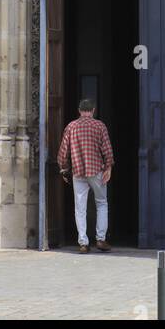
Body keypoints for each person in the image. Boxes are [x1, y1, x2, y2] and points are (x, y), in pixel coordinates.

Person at [57, 99, 114, 253]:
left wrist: (64, 169)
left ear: (79, 110)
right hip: (96, 170)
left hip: (78, 172)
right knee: (102, 203)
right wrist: (108, 167)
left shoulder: (71, 127)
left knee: (80, 208)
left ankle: (83, 242)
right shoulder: (100, 126)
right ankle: (100, 239)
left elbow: (63, 152)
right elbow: (107, 149)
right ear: (93, 110)